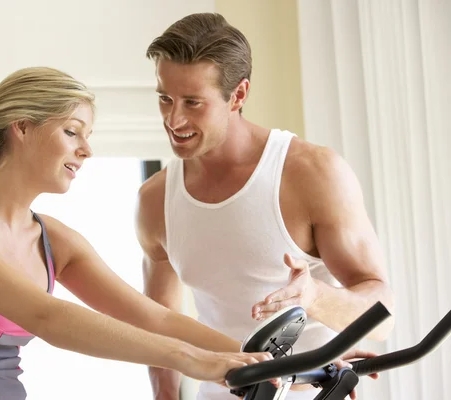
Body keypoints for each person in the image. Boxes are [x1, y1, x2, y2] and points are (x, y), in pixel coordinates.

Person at [0, 66, 280, 400]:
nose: (87, 150)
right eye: (73, 132)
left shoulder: (53, 240)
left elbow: (154, 319)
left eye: (88, 135)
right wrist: (189, 359)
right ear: (22, 127)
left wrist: (267, 360)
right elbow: (47, 317)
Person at [135, 13, 395, 400]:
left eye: (193, 102)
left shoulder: (311, 173)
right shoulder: (155, 200)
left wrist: (316, 297)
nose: (174, 119)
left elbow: (382, 314)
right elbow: (161, 327)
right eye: (164, 98)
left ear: (238, 95)